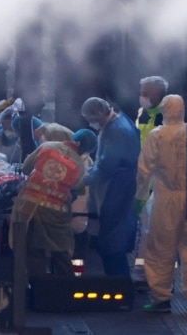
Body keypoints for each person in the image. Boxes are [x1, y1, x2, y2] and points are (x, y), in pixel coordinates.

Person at [135, 94, 187, 313]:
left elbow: (144, 170)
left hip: (165, 198)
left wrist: (139, 198)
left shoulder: (157, 135)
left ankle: (161, 298)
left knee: (160, 249)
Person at [9, 129, 98, 278]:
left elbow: (26, 168)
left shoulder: (47, 146)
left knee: (33, 249)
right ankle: (66, 291)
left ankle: (39, 289)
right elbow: (76, 188)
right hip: (55, 213)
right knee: (60, 249)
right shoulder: (80, 167)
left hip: (28, 207)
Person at [81, 97, 140, 277]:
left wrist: (84, 179)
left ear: (98, 115)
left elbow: (107, 165)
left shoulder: (117, 131)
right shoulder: (119, 123)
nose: (91, 123)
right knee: (114, 237)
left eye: (91, 119)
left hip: (117, 188)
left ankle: (119, 285)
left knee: (112, 239)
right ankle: (118, 284)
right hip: (120, 185)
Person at [132, 75, 168, 293]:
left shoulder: (165, 118)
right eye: (142, 91)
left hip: (159, 184)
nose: (143, 96)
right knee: (143, 233)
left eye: (147, 93)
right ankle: (141, 273)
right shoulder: (143, 114)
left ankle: (160, 277)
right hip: (145, 180)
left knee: (159, 235)